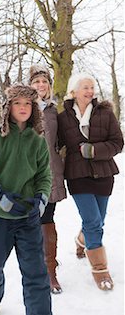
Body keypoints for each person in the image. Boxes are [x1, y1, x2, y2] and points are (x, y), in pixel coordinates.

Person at [0, 83, 58, 315]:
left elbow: (44, 175)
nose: (23, 107)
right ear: (8, 108)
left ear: (33, 108)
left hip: (27, 216)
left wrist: (40, 198)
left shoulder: (38, 139)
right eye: (17, 103)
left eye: (28, 103)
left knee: (36, 275)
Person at [57, 73, 123, 291]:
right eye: (85, 87)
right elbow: (54, 143)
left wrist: (94, 150)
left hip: (104, 174)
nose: (90, 91)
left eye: (92, 87)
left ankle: (81, 240)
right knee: (93, 221)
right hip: (77, 176)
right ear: (73, 91)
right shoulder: (63, 117)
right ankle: (100, 270)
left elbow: (117, 143)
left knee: (98, 221)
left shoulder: (105, 113)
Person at [29, 65, 66, 294]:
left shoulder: (53, 111)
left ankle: (50, 269)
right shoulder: (22, 108)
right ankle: (37, 262)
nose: (41, 85)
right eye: (37, 82)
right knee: (33, 217)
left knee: (47, 217)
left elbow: (61, 140)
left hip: (51, 172)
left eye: (44, 82)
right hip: (29, 173)